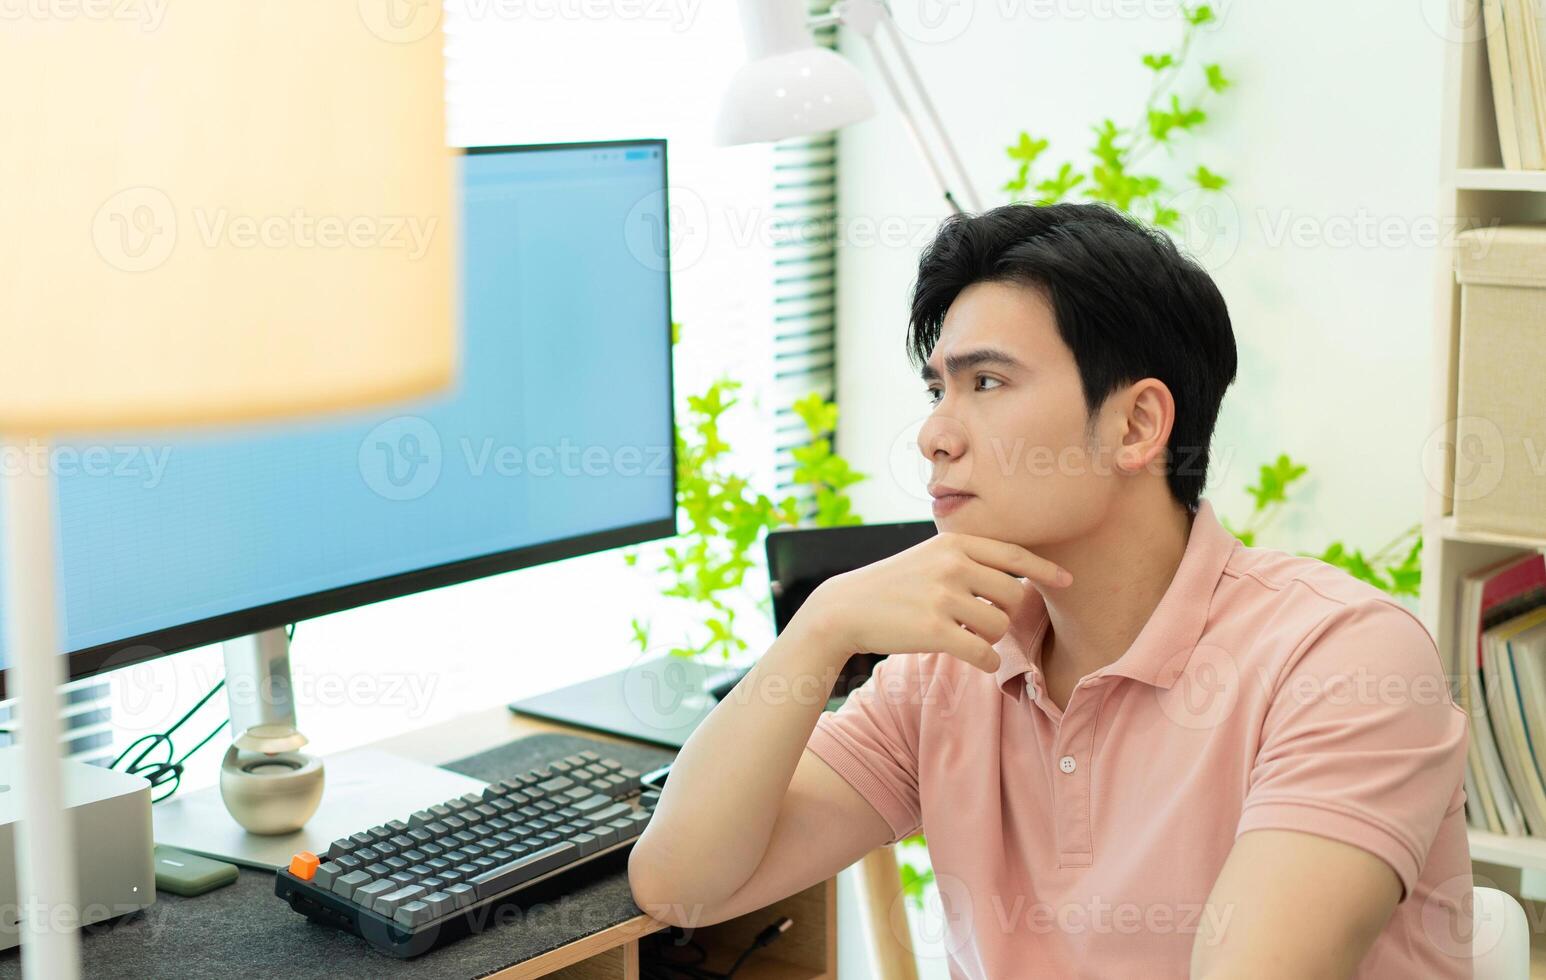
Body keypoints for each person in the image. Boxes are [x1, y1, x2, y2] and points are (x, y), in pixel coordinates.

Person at [628, 202, 1471, 978]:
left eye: (986, 383)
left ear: (1138, 424)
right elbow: (682, 887)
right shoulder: (953, 666)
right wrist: (820, 629)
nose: (933, 434)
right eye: (937, 389)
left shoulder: (1341, 660)